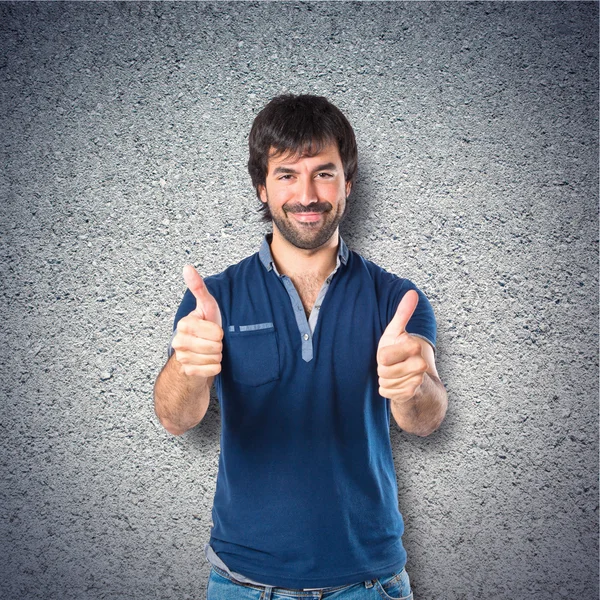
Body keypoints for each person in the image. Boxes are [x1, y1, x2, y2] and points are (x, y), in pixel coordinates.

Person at [153, 94, 448, 600]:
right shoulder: (214, 299)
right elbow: (176, 419)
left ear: (349, 183)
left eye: (325, 173)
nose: (307, 194)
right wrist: (187, 367)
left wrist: (414, 383)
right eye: (287, 174)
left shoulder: (397, 298)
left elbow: (424, 419)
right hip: (242, 583)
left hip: (370, 582)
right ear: (261, 188)